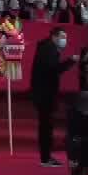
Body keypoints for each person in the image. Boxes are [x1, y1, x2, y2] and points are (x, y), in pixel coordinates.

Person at [29, 27, 72, 166]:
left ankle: (46, 156)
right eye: (62, 36)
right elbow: (54, 69)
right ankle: (46, 157)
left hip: (43, 92)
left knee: (46, 125)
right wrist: (71, 61)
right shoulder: (49, 49)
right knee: (46, 125)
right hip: (45, 93)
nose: (64, 40)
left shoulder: (47, 47)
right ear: (54, 36)